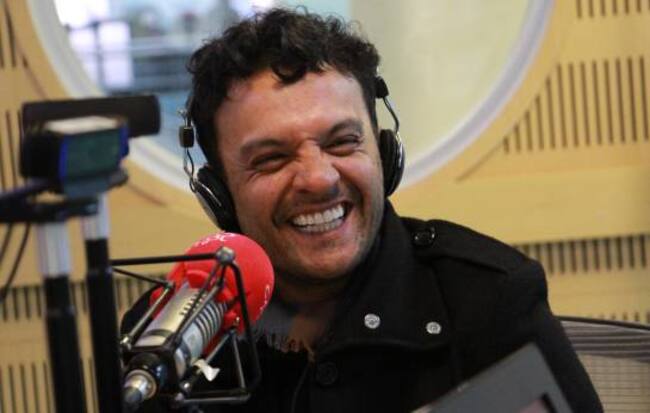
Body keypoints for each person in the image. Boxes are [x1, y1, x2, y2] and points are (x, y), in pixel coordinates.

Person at [122, 7, 602, 412]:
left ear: (384, 154)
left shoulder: (487, 300)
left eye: (342, 142)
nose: (319, 178)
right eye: (271, 159)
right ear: (219, 193)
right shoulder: (168, 340)